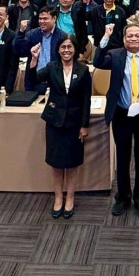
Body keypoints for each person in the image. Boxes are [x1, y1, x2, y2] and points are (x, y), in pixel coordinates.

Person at [95, 23, 139, 218]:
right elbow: (98, 62)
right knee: (123, 157)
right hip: (122, 114)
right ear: (124, 40)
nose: (134, 39)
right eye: (130, 36)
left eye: (137, 36)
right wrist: (105, 37)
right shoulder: (115, 56)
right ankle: (123, 197)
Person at [27, 34, 92, 219]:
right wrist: (34, 60)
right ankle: (58, 198)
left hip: (74, 123)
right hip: (55, 122)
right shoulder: (51, 67)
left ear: (75, 49)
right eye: (63, 47)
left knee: (72, 163)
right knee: (56, 164)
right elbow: (32, 81)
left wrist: (84, 125)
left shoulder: (83, 70)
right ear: (58, 49)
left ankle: (70, 197)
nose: (66, 50)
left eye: (69, 47)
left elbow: (86, 100)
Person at [13, 6, 67, 93]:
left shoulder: (62, 36)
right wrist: (21, 32)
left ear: (54, 18)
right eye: (40, 19)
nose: (41, 21)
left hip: (55, 81)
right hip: (35, 81)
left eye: (45, 19)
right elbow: (19, 51)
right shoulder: (32, 34)